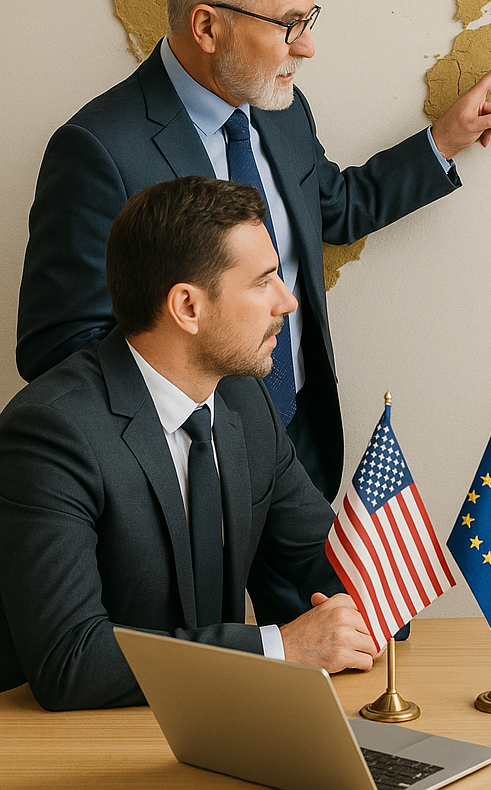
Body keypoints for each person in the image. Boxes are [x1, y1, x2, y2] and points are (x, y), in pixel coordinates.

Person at [16, 0, 491, 626]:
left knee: (367, 633)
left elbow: (331, 207)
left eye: (308, 17)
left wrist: (443, 142)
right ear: (207, 26)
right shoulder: (97, 149)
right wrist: (203, 392)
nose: (307, 46)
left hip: (297, 440)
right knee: (195, 665)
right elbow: (55, 346)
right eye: (287, 23)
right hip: (184, 462)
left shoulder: (280, 108)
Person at [0, 176, 383, 711]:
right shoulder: (51, 433)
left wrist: (373, 596)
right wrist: (280, 648)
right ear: (187, 307)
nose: (288, 302)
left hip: (216, 726)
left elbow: (338, 570)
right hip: (77, 748)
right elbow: (70, 662)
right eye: (262, 281)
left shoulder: (247, 406)